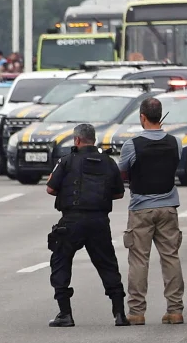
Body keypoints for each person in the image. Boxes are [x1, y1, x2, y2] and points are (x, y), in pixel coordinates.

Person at [46, 123, 129, 328]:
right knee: (107, 264)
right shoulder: (108, 162)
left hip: (72, 221)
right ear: (94, 140)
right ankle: (119, 313)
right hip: (99, 221)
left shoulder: (67, 161)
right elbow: (119, 193)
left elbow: (50, 189)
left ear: (76, 140)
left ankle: (65, 313)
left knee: (60, 261)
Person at [117, 98, 185, 326]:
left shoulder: (132, 145)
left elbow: (122, 171)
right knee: (171, 257)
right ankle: (175, 310)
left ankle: (136, 312)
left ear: (142, 117)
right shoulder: (175, 142)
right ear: (160, 116)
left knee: (139, 260)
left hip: (141, 208)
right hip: (168, 207)